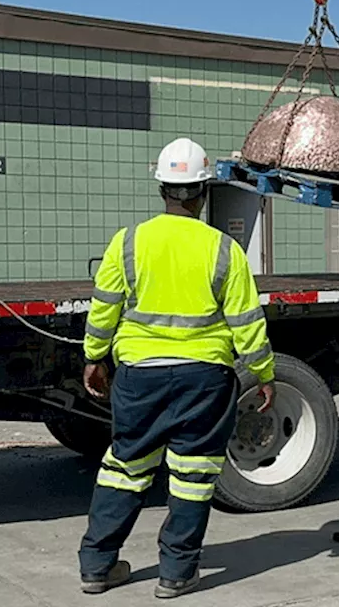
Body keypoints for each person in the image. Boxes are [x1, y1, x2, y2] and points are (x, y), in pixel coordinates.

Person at [77, 137, 277, 599]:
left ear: (162, 189)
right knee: (192, 474)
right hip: (204, 379)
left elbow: (103, 309)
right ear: (203, 191)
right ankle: (177, 573)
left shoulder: (127, 243)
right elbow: (247, 322)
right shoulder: (224, 250)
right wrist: (263, 373)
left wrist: (94, 357)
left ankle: (97, 565)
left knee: (125, 467)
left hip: (139, 376)